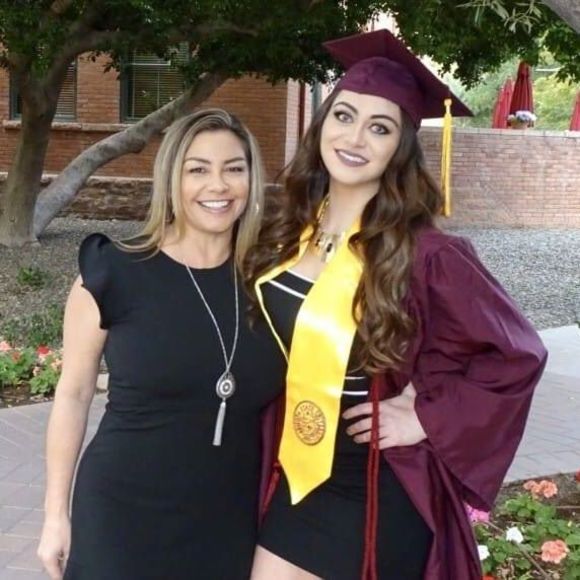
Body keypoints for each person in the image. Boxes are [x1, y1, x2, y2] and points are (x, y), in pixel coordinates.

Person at [245, 30, 548, 580]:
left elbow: (517, 353)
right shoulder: (287, 233)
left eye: (379, 127)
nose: (355, 137)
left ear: (399, 149)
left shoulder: (427, 254)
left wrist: (428, 416)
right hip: (290, 469)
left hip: (373, 484)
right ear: (322, 125)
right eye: (344, 116)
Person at [37, 108, 286, 580]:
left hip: (226, 523)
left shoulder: (272, 284)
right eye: (198, 169)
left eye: (234, 168)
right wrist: (55, 515)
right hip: (120, 517)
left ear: (252, 179)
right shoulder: (113, 272)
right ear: (172, 179)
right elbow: (73, 395)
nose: (218, 185)